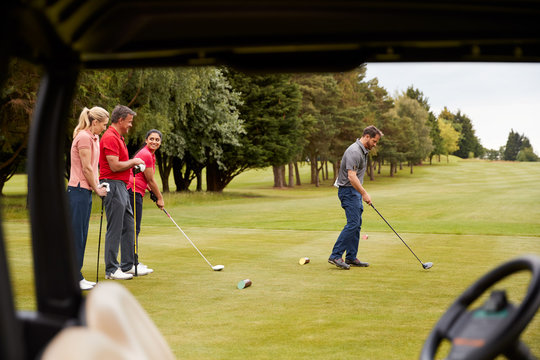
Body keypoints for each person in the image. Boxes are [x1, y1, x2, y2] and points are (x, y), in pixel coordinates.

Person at [99, 105, 148, 280]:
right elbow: (114, 166)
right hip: (111, 184)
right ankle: (111, 269)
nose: (130, 125)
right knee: (115, 227)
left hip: (122, 185)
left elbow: (121, 165)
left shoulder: (118, 137)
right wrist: (133, 161)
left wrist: (131, 165)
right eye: (129, 122)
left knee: (128, 225)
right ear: (120, 120)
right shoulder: (110, 137)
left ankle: (128, 265)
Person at [328, 125, 383, 270]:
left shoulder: (363, 151)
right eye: (374, 141)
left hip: (354, 193)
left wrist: (361, 193)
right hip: (348, 191)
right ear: (366, 137)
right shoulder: (354, 151)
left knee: (356, 224)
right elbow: (351, 177)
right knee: (353, 224)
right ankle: (335, 255)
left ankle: (351, 257)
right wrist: (364, 193)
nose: (375, 145)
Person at [67, 106, 110, 290]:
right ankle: (74, 277)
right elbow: (86, 168)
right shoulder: (84, 137)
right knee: (77, 235)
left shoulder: (94, 137)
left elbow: (94, 166)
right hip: (77, 191)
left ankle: (78, 275)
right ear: (95, 122)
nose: (104, 128)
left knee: (82, 235)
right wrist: (97, 189)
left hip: (85, 191)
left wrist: (98, 184)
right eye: (104, 125)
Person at [127, 129, 165, 273]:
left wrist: (150, 191)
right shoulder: (146, 154)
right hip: (133, 191)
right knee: (134, 228)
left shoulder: (150, 155)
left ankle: (132, 262)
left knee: (133, 227)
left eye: (157, 139)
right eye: (151, 139)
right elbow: (150, 179)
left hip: (136, 191)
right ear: (146, 140)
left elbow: (146, 179)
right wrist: (160, 198)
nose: (154, 141)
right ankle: (131, 263)